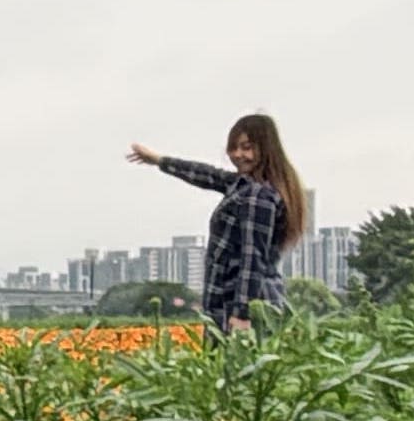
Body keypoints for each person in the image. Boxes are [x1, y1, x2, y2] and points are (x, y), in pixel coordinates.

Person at [128, 113, 312, 326]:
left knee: (242, 358)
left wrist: (242, 314)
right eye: (233, 148)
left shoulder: (257, 195)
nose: (237, 154)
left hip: (239, 305)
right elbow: (208, 175)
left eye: (247, 147)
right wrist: (159, 160)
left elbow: (252, 257)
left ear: (267, 149)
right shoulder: (244, 186)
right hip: (236, 301)